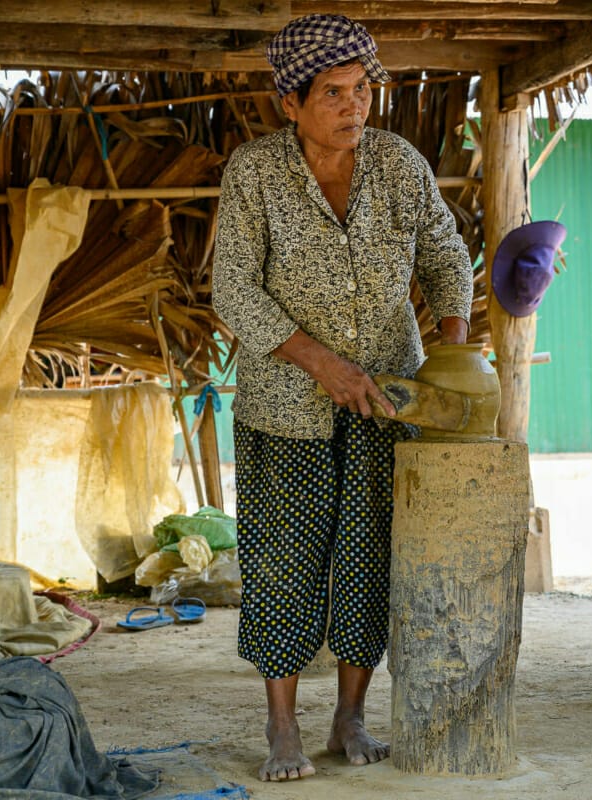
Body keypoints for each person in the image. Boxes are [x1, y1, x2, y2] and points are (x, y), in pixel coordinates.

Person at [212, 13, 473, 782]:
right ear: (289, 104)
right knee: (284, 562)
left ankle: (348, 720)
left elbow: (446, 254)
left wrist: (452, 350)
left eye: (363, 90)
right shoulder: (256, 172)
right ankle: (282, 727)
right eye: (334, 93)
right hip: (284, 403)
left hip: (387, 399)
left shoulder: (399, 163)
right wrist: (319, 363)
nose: (354, 107)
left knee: (368, 560)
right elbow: (232, 287)